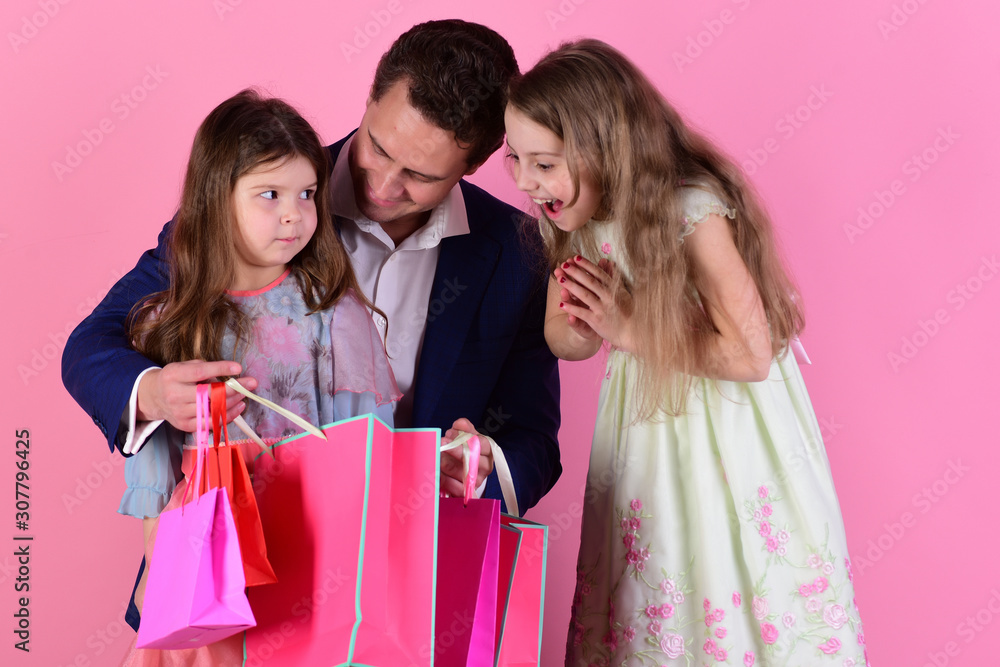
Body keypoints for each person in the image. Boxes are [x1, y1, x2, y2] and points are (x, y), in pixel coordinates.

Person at [62, 21, 559, 538]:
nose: (386, 187)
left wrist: (483, 474)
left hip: (411, 575)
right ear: (368, 102)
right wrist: (155, 395)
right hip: (229, 567)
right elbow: (90, 346)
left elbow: (534, 442)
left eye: (421, 176)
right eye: (380, 148)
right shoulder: (257, 194)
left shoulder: (519, 255)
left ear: (474, 164)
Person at [505, 39, 868, 666]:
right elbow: (561, 341)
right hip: (647, 430)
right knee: (658, 567)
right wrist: (584, 319)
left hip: (726, 426)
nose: (526, 181)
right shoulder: (573, 218)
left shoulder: (690, 210)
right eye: (516, 159)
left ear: (603, 149)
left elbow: (752, 357)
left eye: (545, 163)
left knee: (729, 562)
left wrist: (629, 325)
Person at [115, 89, 400, 664]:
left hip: (309, 535)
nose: (294, 213)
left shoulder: (333, 312)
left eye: (307, 194)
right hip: (205, 538)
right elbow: (151, 446)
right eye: (269, 195)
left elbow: (364, 441)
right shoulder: (167, 319)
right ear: (216, 199)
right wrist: (158, 542)